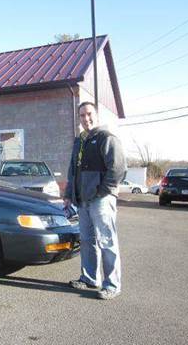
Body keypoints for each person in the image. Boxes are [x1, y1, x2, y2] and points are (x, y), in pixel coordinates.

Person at [64, 102, 127, 300]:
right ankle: (90, 278)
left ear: (96, 116)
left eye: (89, 114)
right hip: (82, 200)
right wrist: (68, 194)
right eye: (82, 115)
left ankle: (112, 285)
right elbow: (73, 171)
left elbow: (118, 169)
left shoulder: (106, 138)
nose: (85, 118)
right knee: (87, 241)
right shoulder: (80, 140)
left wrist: (102, 192)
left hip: (100, 199)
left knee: (107, 241)